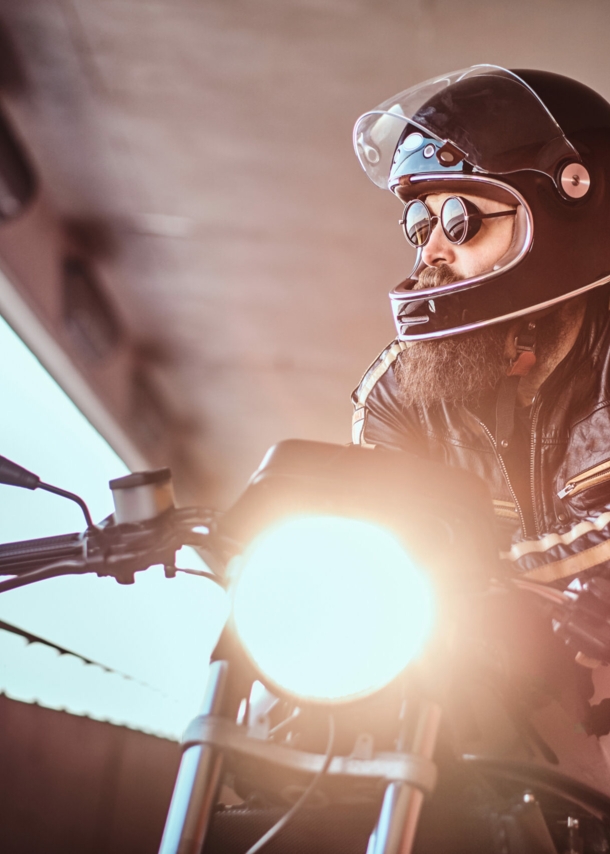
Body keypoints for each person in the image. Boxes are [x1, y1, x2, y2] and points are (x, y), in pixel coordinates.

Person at [351, 66, 610, 586]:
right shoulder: (397, 394)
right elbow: (379, 553)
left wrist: (490, 578)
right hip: (480, 663)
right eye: (420, 223)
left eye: (458, 219)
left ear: (567, 205)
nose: (430, 252)